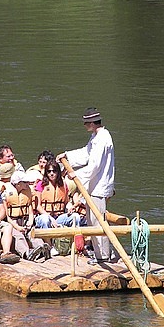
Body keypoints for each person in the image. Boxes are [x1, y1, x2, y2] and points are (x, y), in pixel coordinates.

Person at [56, 107, 116, 264]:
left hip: (99, 186)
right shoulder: (95, 137)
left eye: (86, 123)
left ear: (92, 123)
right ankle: (99, 254)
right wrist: (67, 155)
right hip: (94, 186)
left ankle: (104, 256)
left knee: (98, 221)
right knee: (91, 220)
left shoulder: (103, 138)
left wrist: (78, 175)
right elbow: (86, 153)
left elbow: (95, 164)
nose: (84, 125)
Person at [34, 160, 81, 256]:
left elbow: (66, 202)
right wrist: (50, 217)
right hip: (44, 216)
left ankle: (75, 246)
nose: (51, 173)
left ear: (58, 172)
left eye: (54, 171)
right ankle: (50, 246)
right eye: (49, 171)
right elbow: (38, 206)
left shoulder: (63, 185)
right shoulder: (41, 185)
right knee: (45, 219)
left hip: (58, 216)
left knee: (76, 216)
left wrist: (70, 207)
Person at [5, 171, 48, 261]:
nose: (27, 184)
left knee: (33, 234)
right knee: (18, 236)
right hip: (13, 222)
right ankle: (26, 253)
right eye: (25, 182)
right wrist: (17, 227)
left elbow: (30, 209)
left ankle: (42, 248)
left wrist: (30, 221)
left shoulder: (27, 192)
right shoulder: (5, 193)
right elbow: (6, 216)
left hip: (25, 220)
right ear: (18, 184)